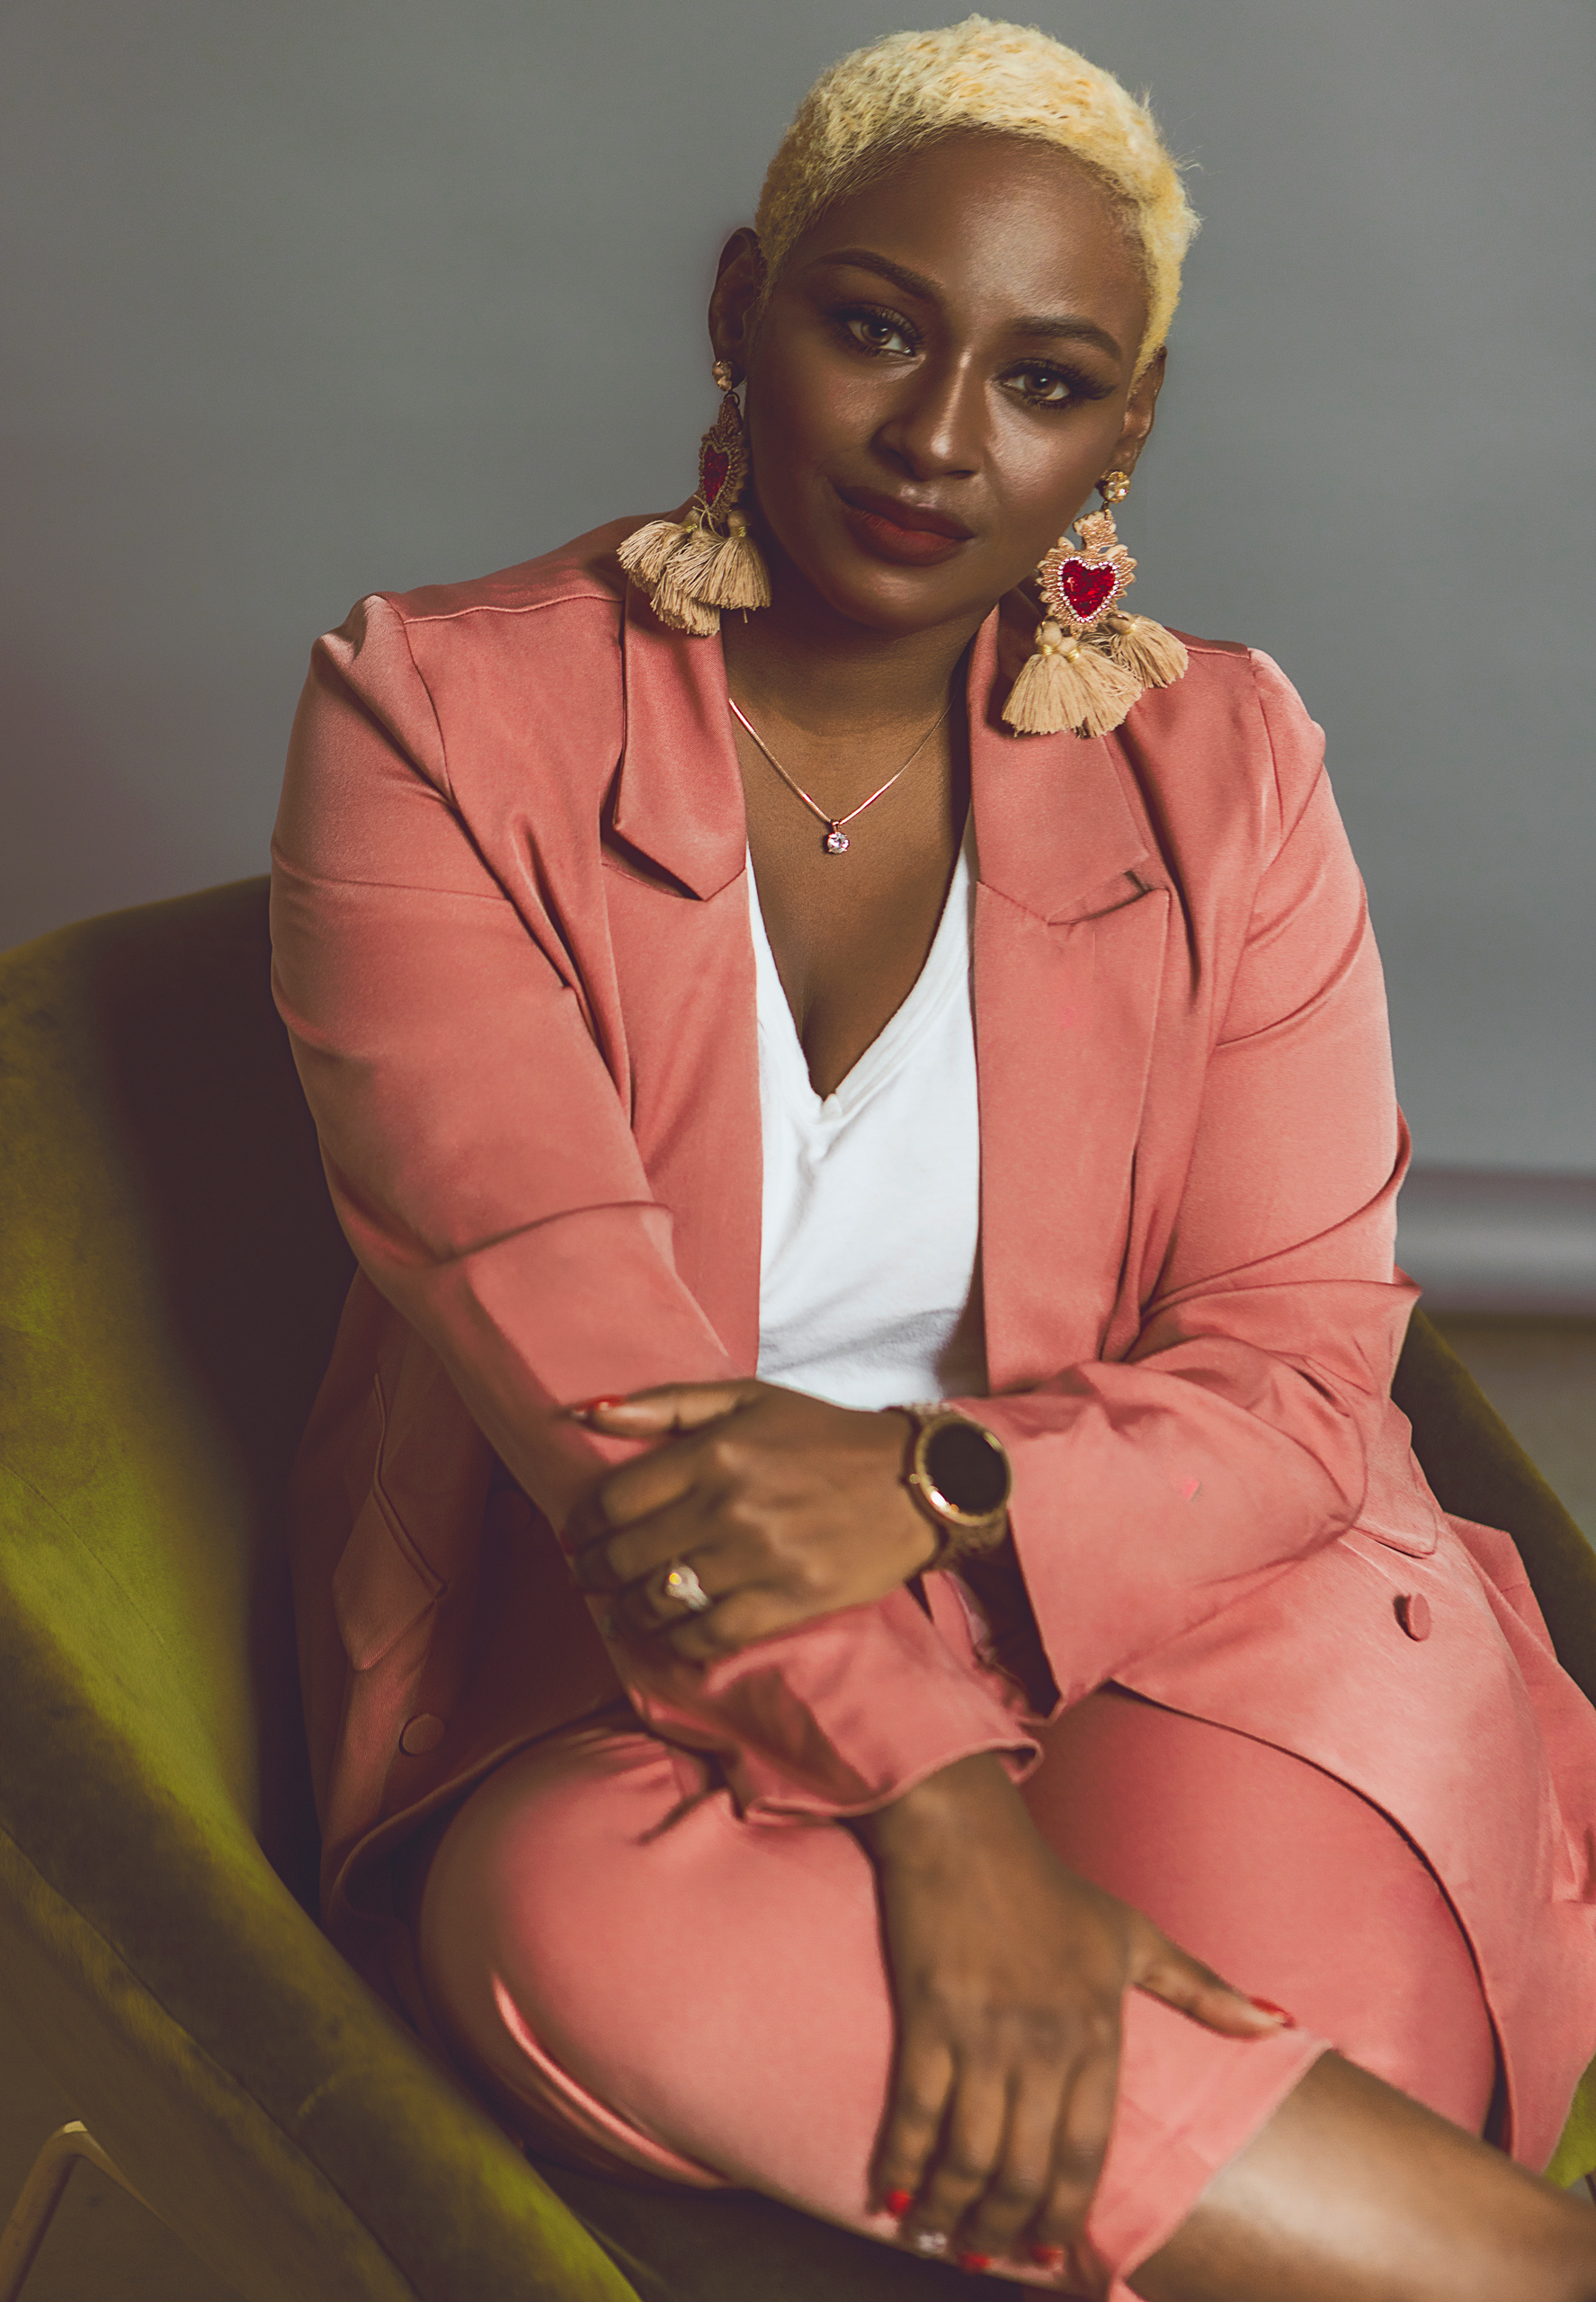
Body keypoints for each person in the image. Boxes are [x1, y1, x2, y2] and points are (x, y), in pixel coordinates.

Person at [269, 18, 1596, 2298]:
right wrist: (942, 1811)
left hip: (1194, 1616)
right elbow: (596, 1382)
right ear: (738, 308)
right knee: (558, 1911)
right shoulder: (434, 719)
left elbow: (1293, 1364)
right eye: (874, 326)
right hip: (651, 1673)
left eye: (1047, 378)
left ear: (1129, 427)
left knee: (1277, 2129)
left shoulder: (1231, 758)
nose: (939, 440)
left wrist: (939, 1483)